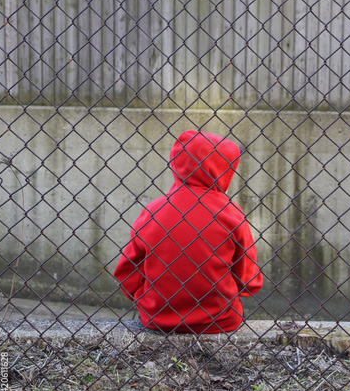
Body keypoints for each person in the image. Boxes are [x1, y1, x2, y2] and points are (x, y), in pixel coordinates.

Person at [113, 130, 263, 333]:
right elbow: (249, 281)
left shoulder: (153, 211)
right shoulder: (231, 213)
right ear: (217, 169)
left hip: (157, 318)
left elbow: (126, 274)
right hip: (219, 321)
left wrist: (148, 296)